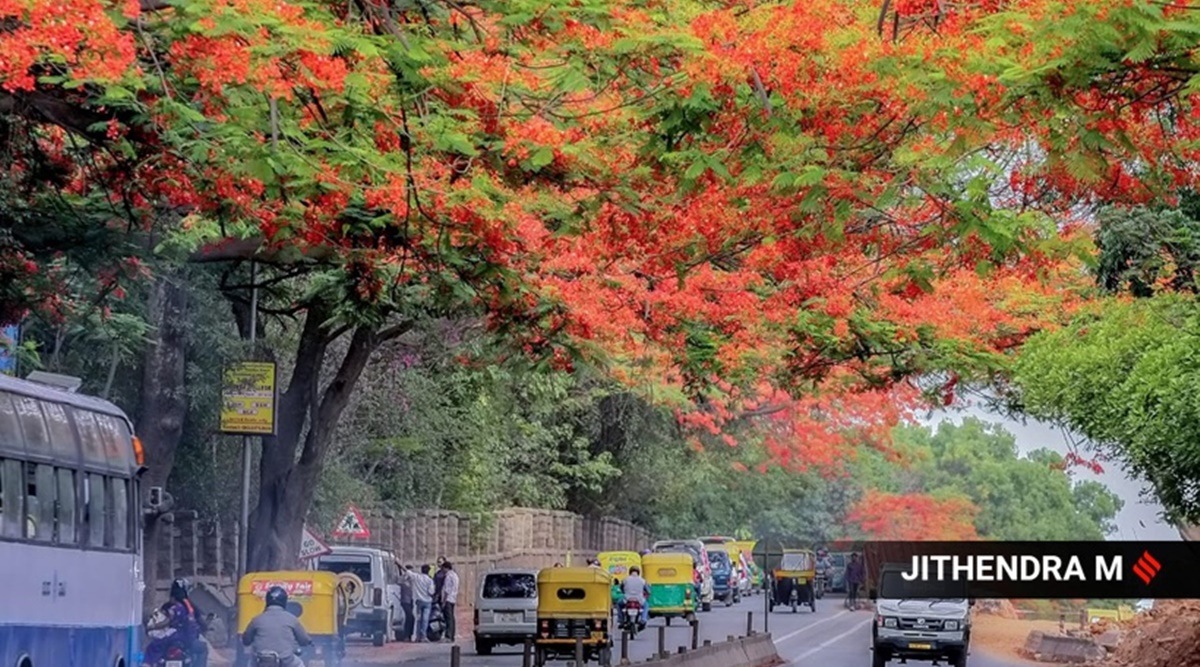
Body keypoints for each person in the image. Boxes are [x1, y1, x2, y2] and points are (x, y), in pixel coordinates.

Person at [242, 586, 312, 667]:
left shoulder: (257, 620)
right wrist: (309, 642)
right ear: (284, 601)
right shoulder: (292, 619)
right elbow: (304, 640)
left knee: (250, 663)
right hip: (286, 661)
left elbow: (246, 640)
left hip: (261, 661)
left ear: (267, 600)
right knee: (300, 664)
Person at [144, 578, 203, 666]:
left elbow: (167, 621)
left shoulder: (174, 607)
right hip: (188, 638)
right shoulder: (188, 605)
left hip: (175, 637)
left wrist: (152, 627)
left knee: (153, 647)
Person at [412, 565, 436, 642]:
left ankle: (417, 636)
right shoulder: (430, 580)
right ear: (428, 571)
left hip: (418, 601)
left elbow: (407, 572)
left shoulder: (417, 577)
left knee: (418, 619)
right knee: (425, 619)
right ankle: (423, 636)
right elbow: (431, 592)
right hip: (427, 601)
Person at [440, 561, 460, 643]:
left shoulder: (448, 576)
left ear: (446, 568)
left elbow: (446, 590)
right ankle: (452, 635)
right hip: (453, 598)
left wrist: (443, 602)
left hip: (448, 599)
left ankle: (448, 636)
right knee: (451, 618)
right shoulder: (455, 575)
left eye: (443, 568)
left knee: (448, 618)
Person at [399, 565, 415, 642]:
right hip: (405, 601)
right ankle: (406, 635)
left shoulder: (411, 581)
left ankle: (408, 635)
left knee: (410, 618)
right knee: (410, 617)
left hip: (410, 601)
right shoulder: (403, 580)